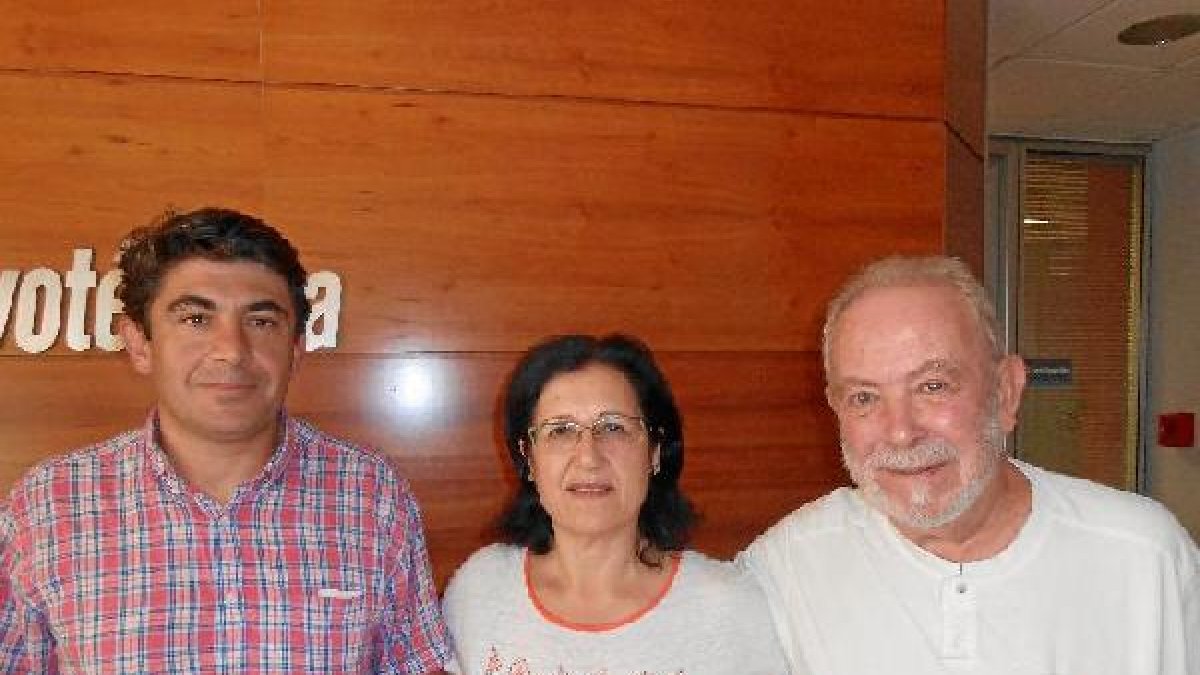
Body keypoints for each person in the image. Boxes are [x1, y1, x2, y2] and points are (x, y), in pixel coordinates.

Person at [0, 208, 451, 674]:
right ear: (139, 344)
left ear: (295, 350)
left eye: (260, 322)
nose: (232, 350)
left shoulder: (371, 495)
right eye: (196, 319)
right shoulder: (47, 506)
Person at [741, 255, 1199, 674]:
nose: (900, 431)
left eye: (933, 386)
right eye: (864, 397)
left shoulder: (1143, 558)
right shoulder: (786, 572)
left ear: (1005, 392)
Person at [442, 334, 791, 675]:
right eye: (561, 430)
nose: (589, 457)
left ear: (654, 452)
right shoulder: (480, 590)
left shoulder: (729, 609)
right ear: (529, 460)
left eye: (613, 427)